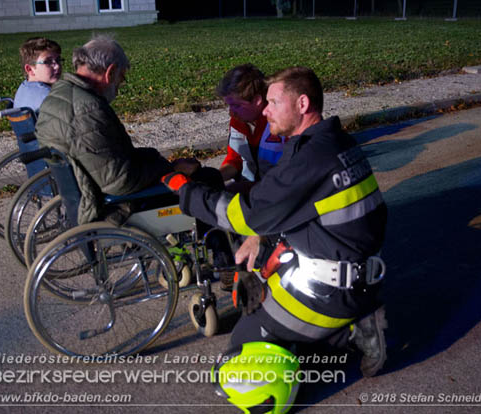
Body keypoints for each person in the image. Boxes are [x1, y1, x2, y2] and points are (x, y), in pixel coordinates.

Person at [162, 66, 388, 394]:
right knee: (263, 291)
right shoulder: (335, 142)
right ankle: (351, 323)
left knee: (240, 353)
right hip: (357, 271)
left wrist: (187, 191)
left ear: (302, 104)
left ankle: (350, 333)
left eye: (272, 102)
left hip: (332, 290)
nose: (265, 110)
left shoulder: (308, 159)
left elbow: (245, 216)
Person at [35, 35, 203, 225]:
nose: (119, 86)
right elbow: (119, 181)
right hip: (113, 206)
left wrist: (153, 158)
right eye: (121, 78)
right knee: (205, 182)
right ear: (111, 72)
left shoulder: (59, 95)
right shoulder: (88, 109)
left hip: (85, 194)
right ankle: (223, 251)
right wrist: (169, 167)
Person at [216, 63, 286, 193]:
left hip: (276, 192)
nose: (231, 112)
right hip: (248, 190)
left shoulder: (281, 123)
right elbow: (234, 160)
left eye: (236, 105)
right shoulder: (238, 121)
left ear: (257, 100)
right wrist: (213, 179)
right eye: (229, 106)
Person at [14, 37, 62, 114]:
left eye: (58, 60)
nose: (57, 66)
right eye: (48, 62)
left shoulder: (24, 87)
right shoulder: (48, 97)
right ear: (30, 69)